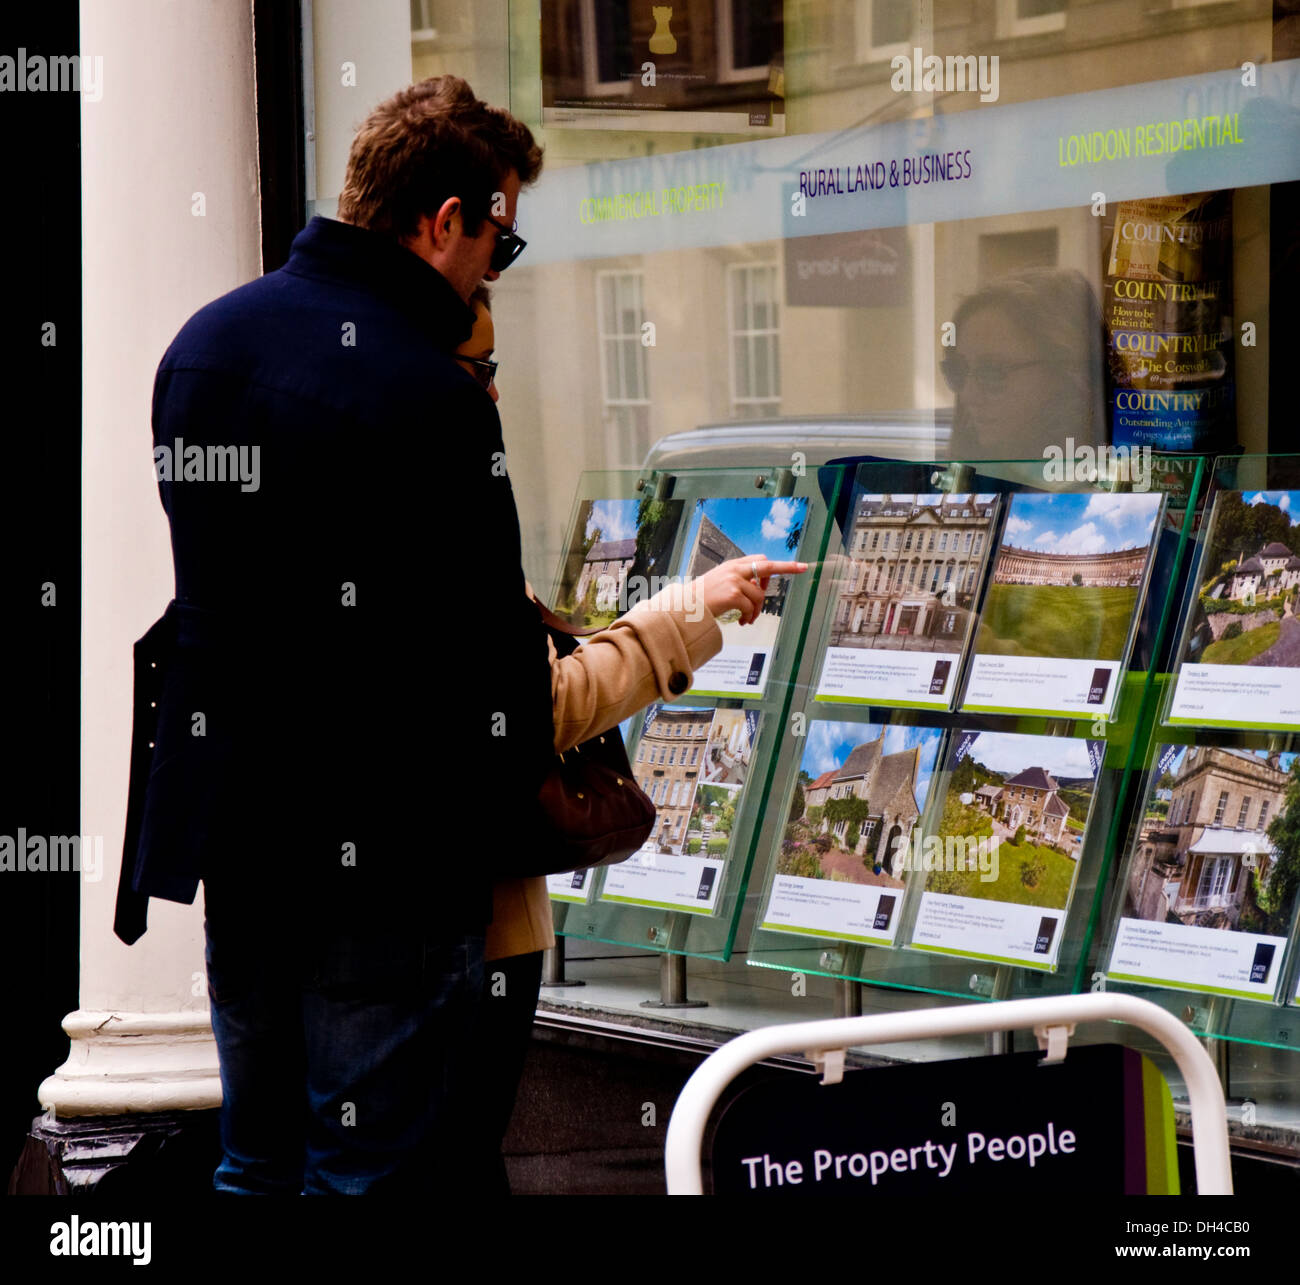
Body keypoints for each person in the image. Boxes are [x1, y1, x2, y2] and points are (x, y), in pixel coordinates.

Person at [113, 76, 555, 1194]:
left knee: (255, 1157)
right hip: (388, 848)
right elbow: (488, 650)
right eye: (497, 244)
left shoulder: (205, 345)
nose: (489, 276)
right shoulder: (426, 391)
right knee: (371, 1168)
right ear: (444, 220)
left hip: (237, 823)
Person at [453, 287, 806, 1191]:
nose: (493, 395)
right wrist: (688, 612)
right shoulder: (436, 503)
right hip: (472, 920)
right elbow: (539, 708)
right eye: (480, 369)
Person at [943, 268, 1105, 461]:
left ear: (1063, 372)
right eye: (957, 371)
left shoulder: (1109, 477)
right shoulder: (973, 474)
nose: (968, 396)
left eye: (992, 372)